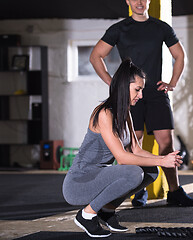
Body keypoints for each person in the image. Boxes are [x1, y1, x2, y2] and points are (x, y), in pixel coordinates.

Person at [90, 0, 193, 207]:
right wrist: (114, 84)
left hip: (156, 94)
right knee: (133, 144)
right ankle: (136, 190)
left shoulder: (161, 27)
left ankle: (174, 192)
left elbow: (179, 55)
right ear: (128, 1)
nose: (139, 2)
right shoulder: (119, 29)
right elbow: (96, 56)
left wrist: (172, 83)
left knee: (166, 143)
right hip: (130, 97)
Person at [62, 59, 183, 238]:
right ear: (124, 86)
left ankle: (107, 210)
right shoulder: (104, 113)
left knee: (151, 171)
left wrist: (161, 161)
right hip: (80, 183)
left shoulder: (124, 112)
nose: (140, 96)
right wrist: (161, 160)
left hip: (100, 176)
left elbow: (136, 149)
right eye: (138, 90)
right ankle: (87, 215)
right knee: (133, 173)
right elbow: (123, 157)